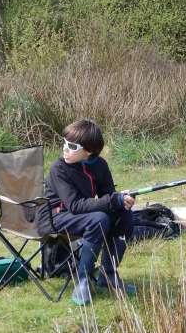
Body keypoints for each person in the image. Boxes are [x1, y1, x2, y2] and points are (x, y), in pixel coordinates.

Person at [36, 119, 137, 305]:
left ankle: (108, 275)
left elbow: (108, 197)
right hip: (53, 217)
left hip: (80, 216)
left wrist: (122, 200)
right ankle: (82, 280)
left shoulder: (100, 165)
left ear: (88, 151)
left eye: (72, 146)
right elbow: (75, 205)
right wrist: (111, 200)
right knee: (98, 220)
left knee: (125, 215)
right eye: (64, 142)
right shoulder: (59, 168)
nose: (65, 148)